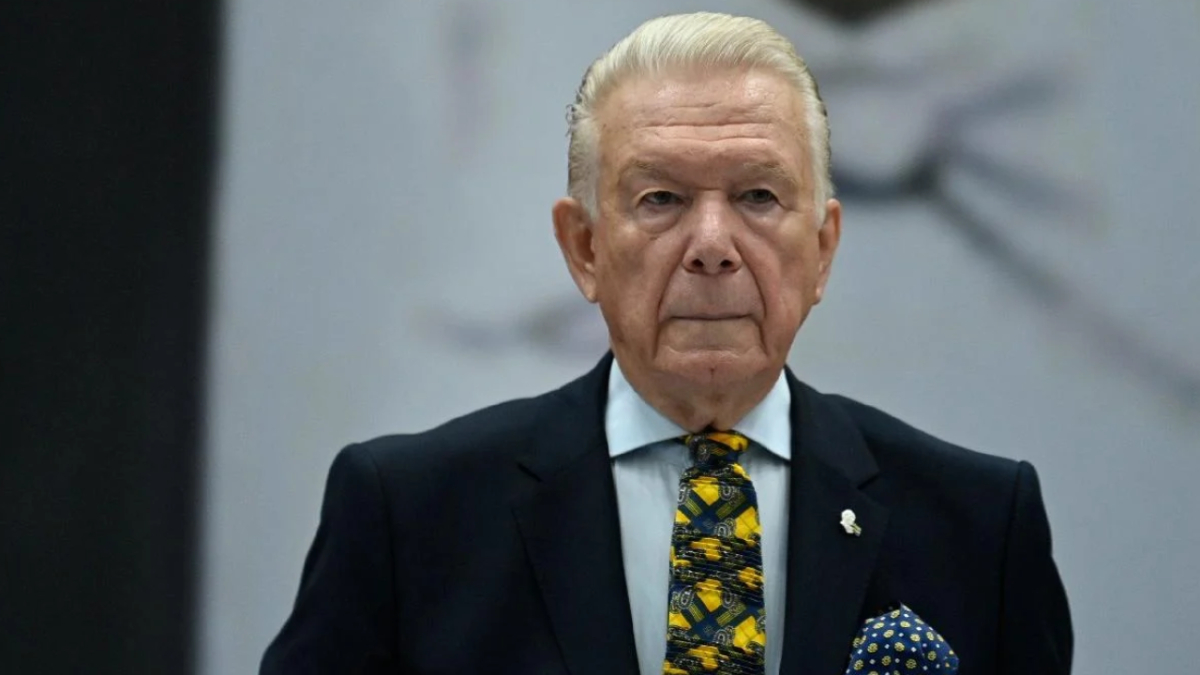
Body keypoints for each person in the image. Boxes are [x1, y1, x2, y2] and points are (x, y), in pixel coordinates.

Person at [261, 12, 1072, 675]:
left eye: (758, 195)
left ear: (822, 248)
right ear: (584, 247)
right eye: (660, 198)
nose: (712, 245)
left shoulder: (979, 527)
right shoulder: (408, 517)